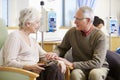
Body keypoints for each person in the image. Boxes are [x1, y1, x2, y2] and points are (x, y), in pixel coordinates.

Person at [2, 7, 64, 80]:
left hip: (34, 73)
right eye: (37, 22)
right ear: (28, 24)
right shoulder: (15, 36)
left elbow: (44, 56)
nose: (39, 25)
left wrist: (57, 60)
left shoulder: (32, 40)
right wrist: (29, 67)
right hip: (22, 73)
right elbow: (9, 62)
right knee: (53, 69)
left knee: (55, 67)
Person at [54, 6, 109, 80]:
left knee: (95, 74)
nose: (74, 22)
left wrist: (72, 64)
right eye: (75, 18)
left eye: (78, 19)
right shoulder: (72, 32)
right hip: (80, 67)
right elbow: (61, 48)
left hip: (98, 67)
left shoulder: (100, 36)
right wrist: (55, 54)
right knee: (75, 74)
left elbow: (97, 63)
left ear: (88, 20)